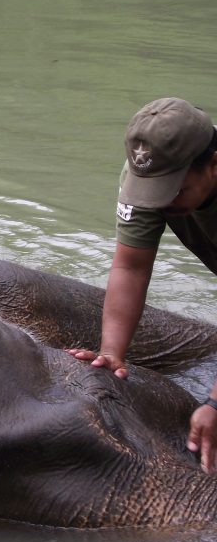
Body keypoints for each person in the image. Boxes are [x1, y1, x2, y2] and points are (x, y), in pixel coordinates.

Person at [67, 97, 217, 472]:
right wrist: (112, 351)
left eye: (174, 191)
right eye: (153, 192)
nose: (161, 204)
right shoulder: (151, 173)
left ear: (214, 166)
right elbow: (131, 267)